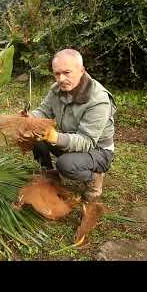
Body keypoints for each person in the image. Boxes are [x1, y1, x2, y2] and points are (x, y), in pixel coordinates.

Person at [24, 49, 116, 202]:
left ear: (81, 71)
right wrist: (30, 118)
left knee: (65, 164)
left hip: (98, 150)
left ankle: (94, 178)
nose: (61, 79)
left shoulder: (98, 100)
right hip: (72, 139)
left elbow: (87, 141)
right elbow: (44, 111)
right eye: (57, 74)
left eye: (67, 72)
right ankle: (50, 174)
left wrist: (56, 138)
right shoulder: (57, 89)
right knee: (35, 134)